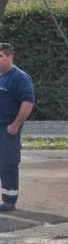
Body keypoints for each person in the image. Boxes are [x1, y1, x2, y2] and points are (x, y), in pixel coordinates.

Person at [0, 43, 35, 212]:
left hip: (7, 130)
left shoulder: (19, 77)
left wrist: (14, 126)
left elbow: (27, 102)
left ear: (10, 57)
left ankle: (9, 201)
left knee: (7, 164)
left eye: (0, 57)